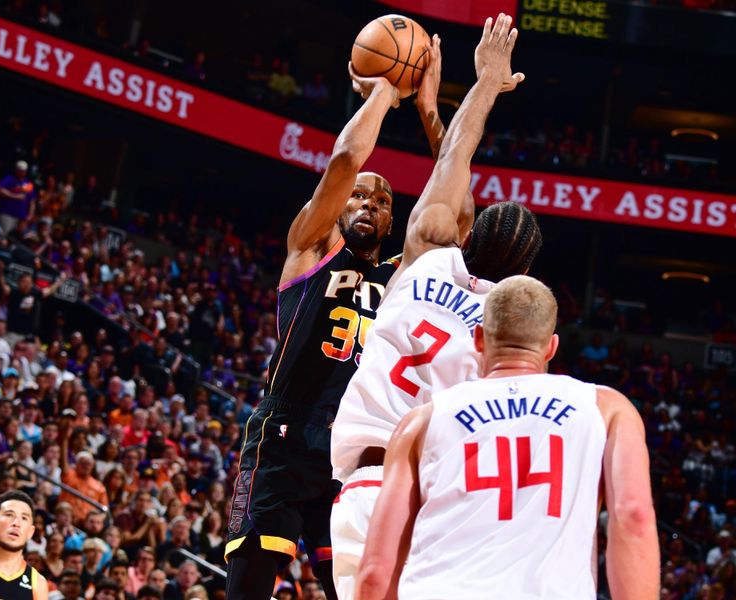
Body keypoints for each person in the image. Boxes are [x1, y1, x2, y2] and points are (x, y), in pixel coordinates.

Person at [225, 36, 452, 600]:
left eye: (380, 201)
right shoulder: (313, 248)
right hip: (283, 434)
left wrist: (429, 112)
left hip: (350, 451)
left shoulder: (406, 277)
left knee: (360, 591)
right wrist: (382, 92)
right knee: (249, 585)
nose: (367, 205)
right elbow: (347, 161)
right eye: (358, 198)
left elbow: (456, 215)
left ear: (394, 217)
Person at [330, 15, 534, 598]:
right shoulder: (507, 330)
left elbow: (453, 163)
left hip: (369, 485)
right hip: (442, 502)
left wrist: (484, 85)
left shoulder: (425, 260)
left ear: (463, 236)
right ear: (522, 279)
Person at [357, 275, 661, 599]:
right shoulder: (606, 408)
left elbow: (377, 572)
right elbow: (633, 516)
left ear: (478, 339)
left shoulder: (421, 422)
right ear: (551, 347)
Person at [0, 490, 49, 599]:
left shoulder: (38, 583)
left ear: (30, 532)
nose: (16, 523)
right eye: (9, 514)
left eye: (24, 518)